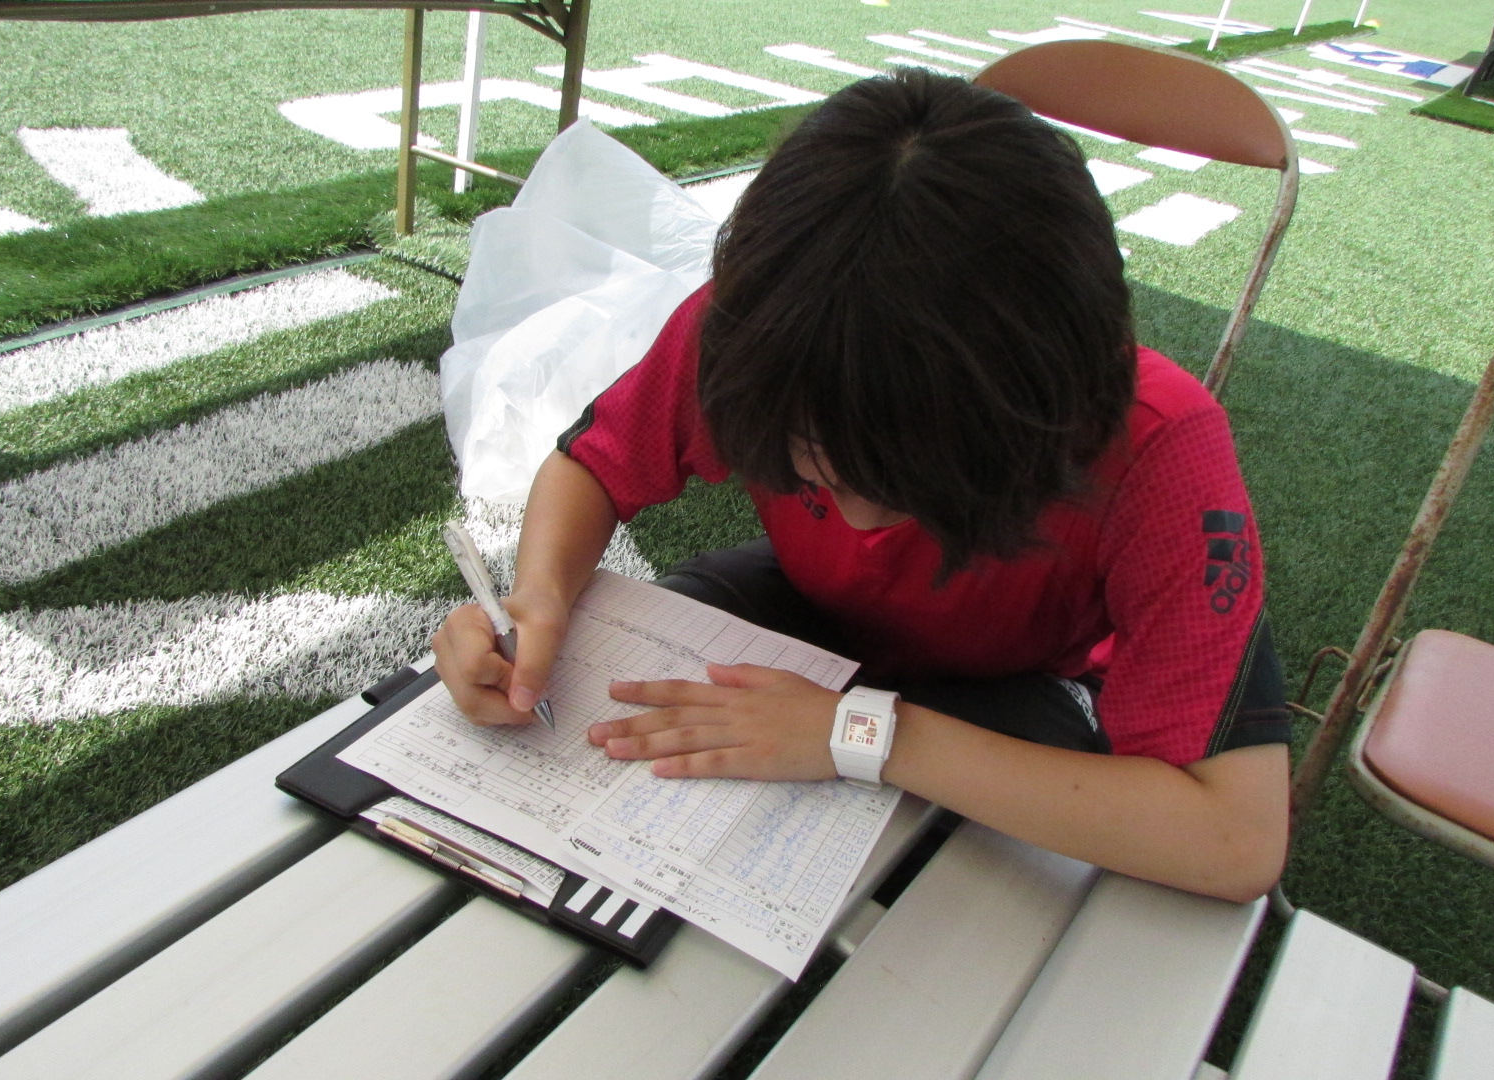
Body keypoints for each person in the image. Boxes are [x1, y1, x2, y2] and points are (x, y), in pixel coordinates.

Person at [431, 69, 1291, 904]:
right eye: (810, 470)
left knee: (948, 891)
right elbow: (592, 463)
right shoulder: (769, 329)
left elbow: (1236, 838)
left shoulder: (1161, 447)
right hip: (811, 606)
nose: (856, 518)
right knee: (623, 694)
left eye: (904, 484)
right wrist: (538, 597)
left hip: (1017, 677)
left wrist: (860, 730)